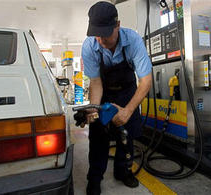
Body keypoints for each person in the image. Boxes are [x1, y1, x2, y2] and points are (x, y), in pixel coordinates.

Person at [81, 1, 152, 195]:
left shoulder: (134, 41)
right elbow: (96, 83)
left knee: (126, 135)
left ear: (117, 25)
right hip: (104, 92)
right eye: (97, 34)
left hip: (127, 91)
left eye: (106, 33)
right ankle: (94, 178)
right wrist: (94, 108)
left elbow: (146, 81)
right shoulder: (89, 46)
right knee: (98, 136)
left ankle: (123, 171)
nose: (101, 40)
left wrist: (128, 111)